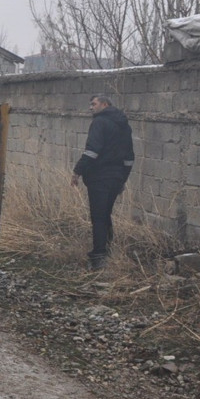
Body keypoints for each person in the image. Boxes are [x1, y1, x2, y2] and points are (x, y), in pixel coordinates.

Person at [72, 94, 134, 269]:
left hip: (100, 177)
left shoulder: (99, 122)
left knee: (98, 216)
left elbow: (92, 151)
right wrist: (123, 178)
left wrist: (77, 170)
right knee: (106, 214)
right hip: (116, 177)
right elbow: (130, 157)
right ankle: (107, 249)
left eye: (94, 104)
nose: (91, 107)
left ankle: (99, 257)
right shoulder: (124, 125)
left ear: (105, 104)